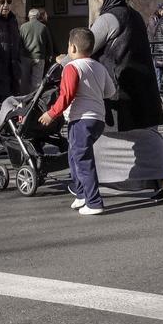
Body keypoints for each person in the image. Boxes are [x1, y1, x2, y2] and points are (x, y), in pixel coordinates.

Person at [89, 0, 163, 202]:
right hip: (143, 86)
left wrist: (65, 59)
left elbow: (86, 46)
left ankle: (88, 182)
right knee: (146, 134)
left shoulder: (109, 18)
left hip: (119, 86)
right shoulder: (135, 16)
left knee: (97, 132)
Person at [38, 27, 115, 216]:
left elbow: (66, 95)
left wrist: (51, 113)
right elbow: (110, 91)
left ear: (72, 48)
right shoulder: (98, 66)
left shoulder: (71, 68)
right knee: (74, 156)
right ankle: (81, 194)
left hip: (81, 120)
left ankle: (94, 202)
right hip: (97, 119)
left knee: (82, 160)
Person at [19, 8, 53, 94]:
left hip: (25, 58)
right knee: (36, 83)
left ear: (29, 17)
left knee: (24, 82)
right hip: (39, 58)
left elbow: (19, 43)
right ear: (38, 16)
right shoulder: (43, 27)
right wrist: (49, 56)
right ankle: (34, 102)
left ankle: (24, 102)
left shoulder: (23, 27)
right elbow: (49, 44)